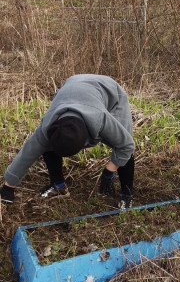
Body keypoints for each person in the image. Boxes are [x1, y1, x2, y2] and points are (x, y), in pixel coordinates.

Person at [0, 74, 135, 209]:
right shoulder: (48, 126)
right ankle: (58, 185)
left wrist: (110, 170)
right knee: (47, 146)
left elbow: (126, 145)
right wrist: (8, 187)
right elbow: (27, 154)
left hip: (110, 91)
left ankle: (127, 195)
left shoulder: (101, 119)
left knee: (122, 142)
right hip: (72, 85)